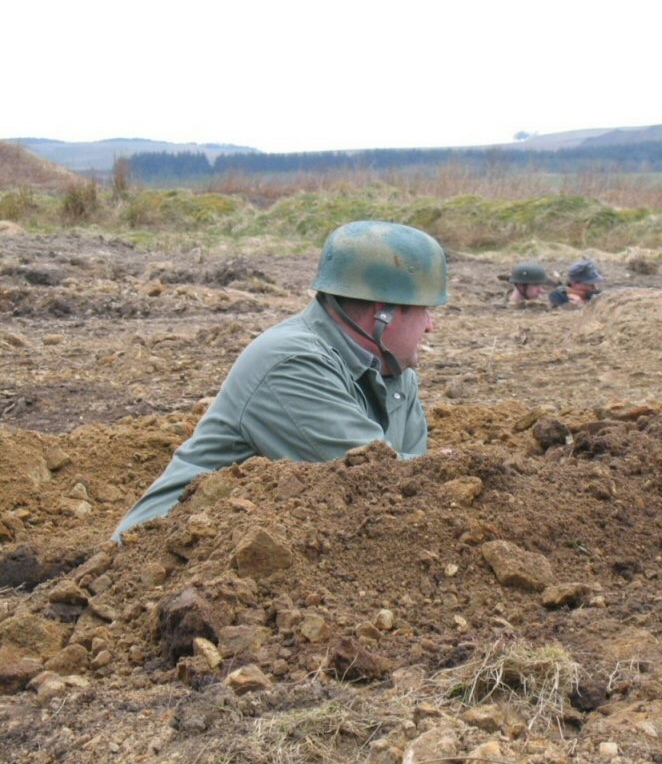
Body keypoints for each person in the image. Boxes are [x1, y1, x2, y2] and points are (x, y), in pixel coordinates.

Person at [112, 220, 447, 541]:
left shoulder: (396, 372)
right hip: (161, 565)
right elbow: (372, 479)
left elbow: (413, 489)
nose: (430, 325)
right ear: (382, 311)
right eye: (425, 310)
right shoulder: (292, 363)